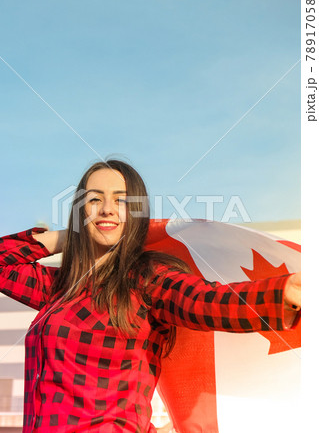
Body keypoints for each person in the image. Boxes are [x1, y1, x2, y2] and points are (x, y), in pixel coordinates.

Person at [0, 160, 301, 433]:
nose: (107, 208)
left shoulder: (144, 279)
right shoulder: (59, 288)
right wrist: (71, 235)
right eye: (95, 200)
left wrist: (282, 293)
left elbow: (207, 301)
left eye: (121, 200)